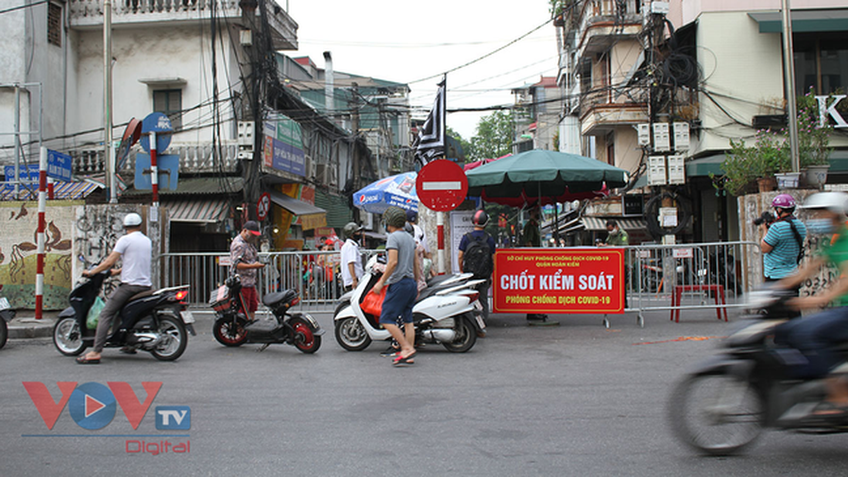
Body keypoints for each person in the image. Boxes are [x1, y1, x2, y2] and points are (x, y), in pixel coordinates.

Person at [776, 192, 848, 415]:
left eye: (821, 214)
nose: (817, 218)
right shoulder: (833, 239)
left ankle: (839, 395)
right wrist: (773, 290)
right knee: (787, 331)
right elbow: (809, 268)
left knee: (810, 333)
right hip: (841, 309)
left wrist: (818, 299)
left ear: (834, 215)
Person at [77, 213, 152, 364]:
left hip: (130, 286)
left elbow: (109, 261)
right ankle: (128, 344)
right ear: (140, 225)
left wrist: (92, 272)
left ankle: (96, 351)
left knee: (106, 314)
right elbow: (135, 261)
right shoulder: (146, 240)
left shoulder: (125, 240)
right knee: (123, 312)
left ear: (125, 227)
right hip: (146, 285)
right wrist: (117, 272)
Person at [372, 206, 420, 367]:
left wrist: (380, 282)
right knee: (408, 320)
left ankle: (405, 347)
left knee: (386, 318)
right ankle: (409, 352)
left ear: (389, 223)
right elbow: (416, 263)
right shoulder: (409, 238)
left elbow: (392, 262)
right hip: (411, 283)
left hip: (398, 283)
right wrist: (417, 283)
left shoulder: (393, 238)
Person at [458, 209, 496, 330]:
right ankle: (483, 324)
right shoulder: (489, 239)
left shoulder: (466, 238)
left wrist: (462, 271)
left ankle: (471, 324)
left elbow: (460, 256)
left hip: (470, 275)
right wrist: (491, 273)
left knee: (470, 300)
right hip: (484, 276)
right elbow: (493, 259)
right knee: (483, 300)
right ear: (485, 223)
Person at [761, 194, 807, 283]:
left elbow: (764, 248)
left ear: (779, 209)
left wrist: (765, 230)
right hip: (793, 274)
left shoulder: (777, 228)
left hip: (776, 275)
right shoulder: (800, 225)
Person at [230, 220, 265, 323]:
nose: (254, 237)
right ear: (245, 231)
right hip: (242, 283)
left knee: (252, 307)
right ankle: (242, 333)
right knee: (244, 309)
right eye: (252, 235)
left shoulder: (248, 243)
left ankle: (250, 330)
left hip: (250, 282)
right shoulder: (239, 244)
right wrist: (253, 266)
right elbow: (236, 265)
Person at [522, 206, 546, 322]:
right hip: (533, 261)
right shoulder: (530, 226)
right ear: (532, 212)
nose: (538, 212)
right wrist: (533, 258)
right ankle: (532, 311)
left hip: (537, 260)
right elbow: (528, 243)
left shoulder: (535, 225)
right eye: (537, 210)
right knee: (532, 287)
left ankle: (535, 310)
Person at [599, 220, 630, 307]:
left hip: (622, 263)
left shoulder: (622, 234)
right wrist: (603, 245)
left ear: (616, 227)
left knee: (622, 284)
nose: (610, 231)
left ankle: (624, 304)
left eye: (611, 229)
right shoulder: (611, 235)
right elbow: (607, 243)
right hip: (612, 263)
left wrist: (607, 247)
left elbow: (624, 247)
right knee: (612, 284)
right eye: (608, 230)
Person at [341, 222, 364, 292]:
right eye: (357, 232)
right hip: (353, 281)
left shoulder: (346, 245)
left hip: (349, 281)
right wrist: (354, 279)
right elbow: (350, 263)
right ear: (351, 235)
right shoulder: (351, 246)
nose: (359, 234)